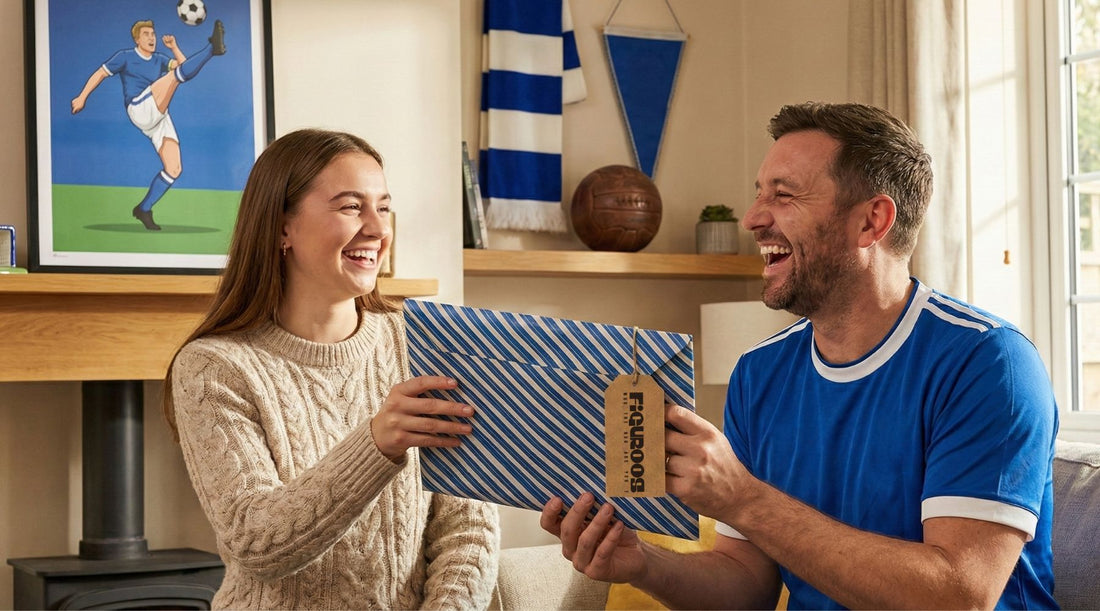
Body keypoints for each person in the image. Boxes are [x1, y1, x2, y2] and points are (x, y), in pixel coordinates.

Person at [541, 102, 1059, 609]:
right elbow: (746, 585)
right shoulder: (760, 372)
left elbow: (958, 596)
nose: (752, 218)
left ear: (871, 221)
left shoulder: (988, 364)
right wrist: (642, 564)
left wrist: (744, 498)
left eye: (784, 195)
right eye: (758, 194)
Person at [164, 128, 500, 609]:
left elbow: (468, 532)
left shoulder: (426, 344)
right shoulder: (214, 368)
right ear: (282, 228)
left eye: (383, 207)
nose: (378, 229)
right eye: (351, 207)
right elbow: (255, 543)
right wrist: (376, 445)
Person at [72, 18, 226, 231]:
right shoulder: (125, 57)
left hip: (159, 116)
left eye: (153, 34)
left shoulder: (159, 59)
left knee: (174, 169)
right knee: (172, 79)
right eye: (146, 34)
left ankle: (143, 209)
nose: (152, 38)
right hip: (139, 108)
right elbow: (100, 73)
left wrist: (174, 47)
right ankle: (211, 49)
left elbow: (185, 67)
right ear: (137, 39)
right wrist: (82, 97)